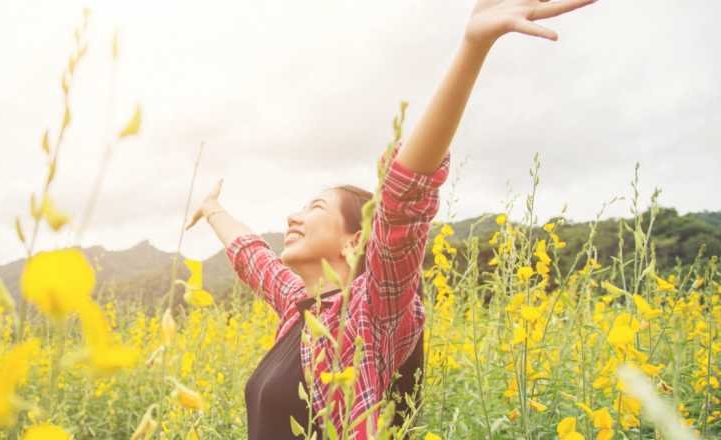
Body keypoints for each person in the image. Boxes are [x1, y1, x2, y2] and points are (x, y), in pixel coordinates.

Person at [184, 1, 598, 438]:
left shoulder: (372, 313)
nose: (293, 216)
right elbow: (253, 257)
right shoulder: (299, 308)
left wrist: (472, 46)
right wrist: (212, 209)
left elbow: (404, 199)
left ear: (354, 240)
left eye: (315, 208)